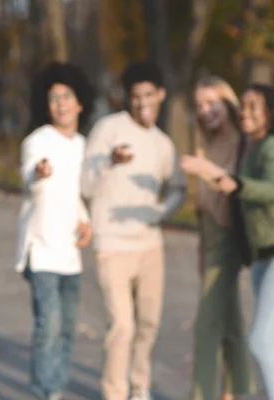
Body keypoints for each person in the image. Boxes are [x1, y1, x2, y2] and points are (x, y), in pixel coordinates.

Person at [181, 84, 274, 400]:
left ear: (271, 112)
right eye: (242, 106)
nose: (245, 112)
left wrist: (224, 178)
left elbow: (271, 188)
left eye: (253, 106)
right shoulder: (251, 149)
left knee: (261, 340)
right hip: (264, 257)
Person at [81, 62, 187, 400]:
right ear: (129, 97)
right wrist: (108, 162)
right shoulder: (108, 129)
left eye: (149, 96)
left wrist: (159, 213)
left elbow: (178, 189)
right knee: (122, 326)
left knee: (148, 325)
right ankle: (115, 393)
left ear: (161, 95)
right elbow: (84, 185)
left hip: (150, 247)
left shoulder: (163, 144)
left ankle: (140, 388)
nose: (142, 103)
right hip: (111, 245)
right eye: (136, 97)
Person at [15, 62, 94, 400]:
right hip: (41, 249)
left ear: (80, 103)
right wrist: (39, 173)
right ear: (46, 105)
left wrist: (86, 221)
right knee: (48, 326)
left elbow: (79, 191)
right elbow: (29, 177)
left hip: (70, 252)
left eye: (67, 96)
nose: (61, 103)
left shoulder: (84, 144)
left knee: (65, 330)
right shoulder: (37, 141)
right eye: (54, 98)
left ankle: (57, 388)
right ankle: (43, 391)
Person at [190, 76, 253, 400]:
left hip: (229, 240)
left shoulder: (243, 143)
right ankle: (238, 391)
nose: (205, 111)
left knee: (206, 325)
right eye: (199, 105)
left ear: (227, 102)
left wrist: (205, 170)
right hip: (210, 239)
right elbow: (202, 207)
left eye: (211, 103)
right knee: (229, 321)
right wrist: (202, 252)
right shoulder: (207, 144)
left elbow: (236, 191)